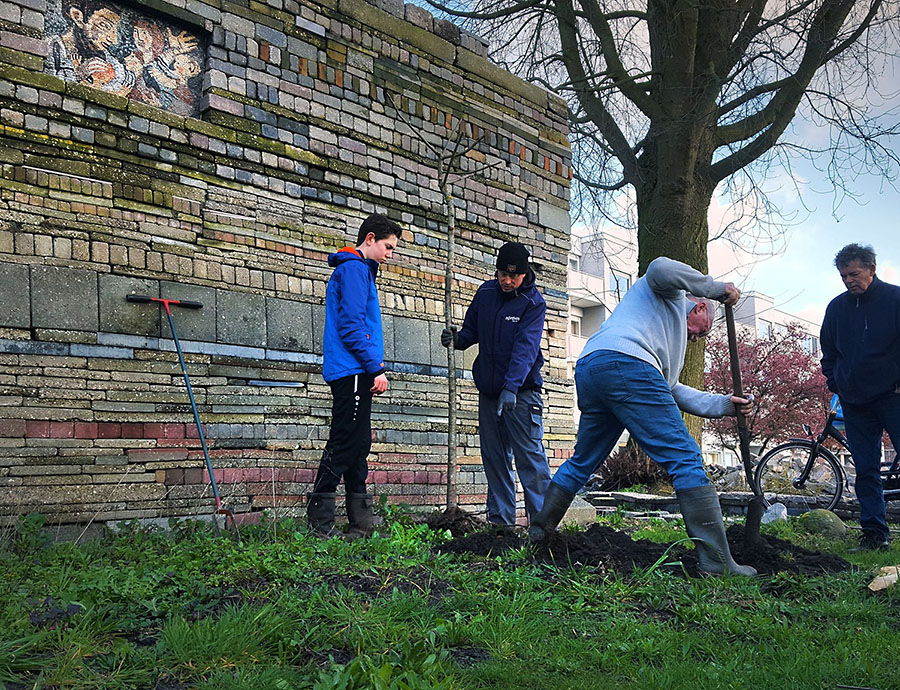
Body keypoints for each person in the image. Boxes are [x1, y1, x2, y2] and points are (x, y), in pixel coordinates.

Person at [528, 256, 757, 576]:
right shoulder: (671, 292)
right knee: (686, 457)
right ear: (701, 309)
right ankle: (716, 562)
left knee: (583, 461)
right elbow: (661, 265)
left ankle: (539, 534)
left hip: (593, 367)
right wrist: (714, 288)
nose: (697, 340)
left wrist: (725, 405)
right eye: (701, 333)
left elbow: (670, 390)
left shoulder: (663, 340)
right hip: (627, 365)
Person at [441, 242, 552, 526]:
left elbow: (525, 349)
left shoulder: (533, 303)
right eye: (502, 273)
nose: (507, 280)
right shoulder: (486, 293)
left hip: (521, 396)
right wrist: (457, 339)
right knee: (495, 460)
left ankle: (542, 529)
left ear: (524, 274)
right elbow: (471, 331)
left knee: (531, 463)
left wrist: (511, 387)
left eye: (513, 276)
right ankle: (500, 525)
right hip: (490, 394)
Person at [307, 214, 402, 538]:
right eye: (388, 247)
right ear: (370, 238)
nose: (389, 254)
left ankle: (360, 520)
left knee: (358, 443)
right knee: (345, 441)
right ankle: (319, 524)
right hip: (353, 371)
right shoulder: (354, 270)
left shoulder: (359, 271)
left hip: (355, 370)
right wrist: (375, 367)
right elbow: (351, 326)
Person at [820, 243, 900, 551]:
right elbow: (829, 352)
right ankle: (874, 535)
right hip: (855, 402)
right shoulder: (837, 308)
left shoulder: (894, 299)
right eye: (843, 276)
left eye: (854, 274)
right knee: (865, 469)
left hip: (893, 397)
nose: (849, 280)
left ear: (872, 269)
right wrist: (835, 382)